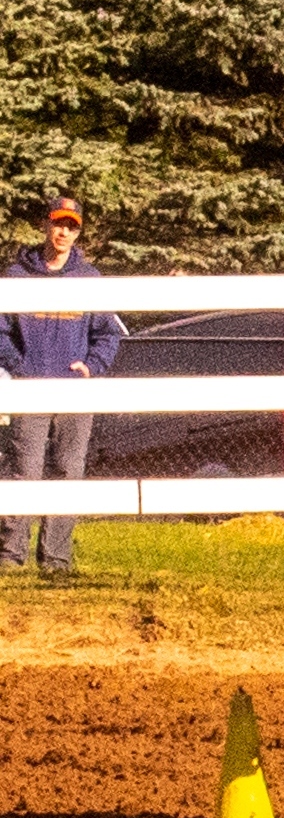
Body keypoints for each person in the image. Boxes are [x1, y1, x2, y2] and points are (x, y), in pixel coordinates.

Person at [0, 196, 124, 573]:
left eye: (72, 226)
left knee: (68, 471)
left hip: (74, 392)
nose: (64, 232)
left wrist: (91, 367)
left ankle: (55, 558)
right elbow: (0, 332)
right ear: (46, 224)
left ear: (78, 232)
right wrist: (21, 368)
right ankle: (10, 556)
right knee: (24, 471)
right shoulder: (17, 276)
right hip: (29, 391)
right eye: (58, 223)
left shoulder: (89, 279)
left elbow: (108, 334)